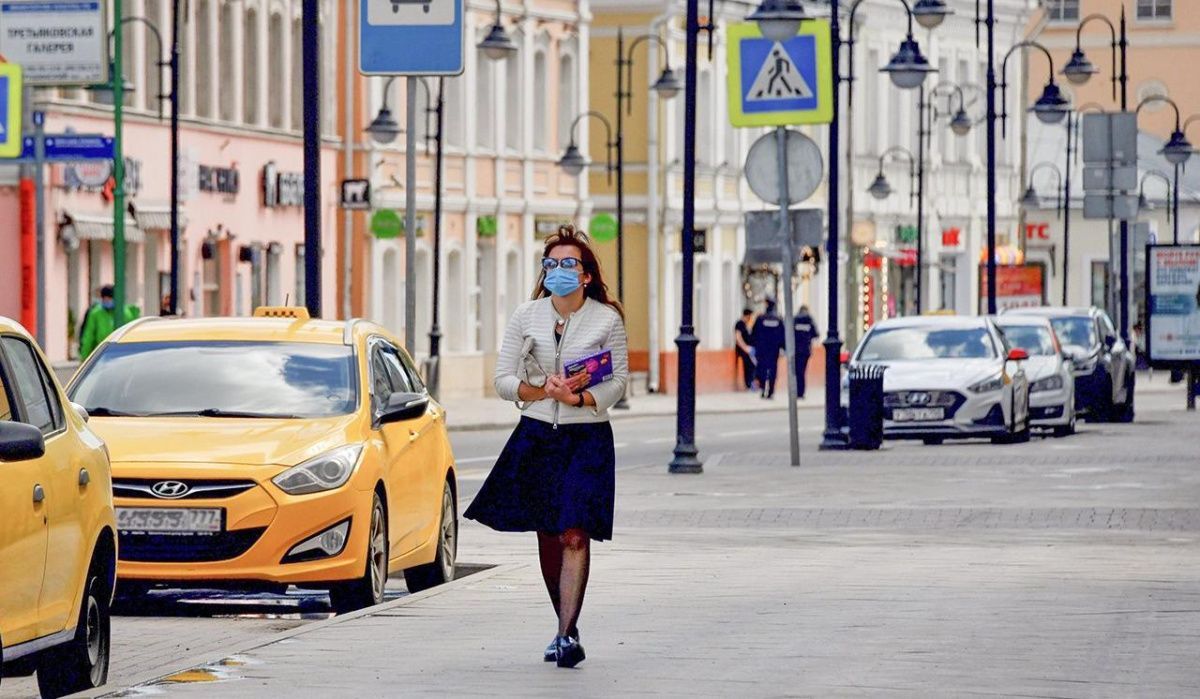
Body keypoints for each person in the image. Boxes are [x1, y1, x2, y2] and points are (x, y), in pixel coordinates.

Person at [465, 225, 628, 669]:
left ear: (586, 274)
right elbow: (502, 380)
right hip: (537, 435)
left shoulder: (606, 319)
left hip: (586, 438)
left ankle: (564, 634)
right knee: (548, 534)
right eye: (551, 264)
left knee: (575, 532)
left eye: (569, 264)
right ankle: (566, 626)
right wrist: (541, 390)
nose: (559, 271)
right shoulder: (526, 316)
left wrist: (578, 398)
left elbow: (618, 382)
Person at [79, 285, 141, 360]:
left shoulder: (124, 313)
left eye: (109, 298)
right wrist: (84, 358)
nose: (106, 301)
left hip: (122, 355)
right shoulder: (96, 314)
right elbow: (88, 337)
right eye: (104, 298)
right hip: (101, 356)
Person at [751, 299, 785, 399]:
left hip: (762, 350)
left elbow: (754, 333)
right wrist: (783, 347)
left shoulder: (761, 318)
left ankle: (763, 389)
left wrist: (755, 345)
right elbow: (783, 335)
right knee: (773, 370)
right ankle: (770, 391)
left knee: (762, 369)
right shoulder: (778, 319)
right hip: (774, 350)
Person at [792, 305, 819, 399]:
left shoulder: (794, 319)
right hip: (805, 350)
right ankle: (801, 392)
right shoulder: (809, 320)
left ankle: (796, 391)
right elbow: (816, 334)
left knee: (796, 371)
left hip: (795, 350)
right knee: (802, 371)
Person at [734, 308, 757, 391]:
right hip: (744, 350)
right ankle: (749, 383)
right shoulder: (739, 324)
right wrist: (745, 348)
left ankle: (753, 382)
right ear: (747, 316)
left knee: (754, 364)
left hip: (750, 348)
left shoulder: (748, 325)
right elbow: (738, 337)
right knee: (748, 365)